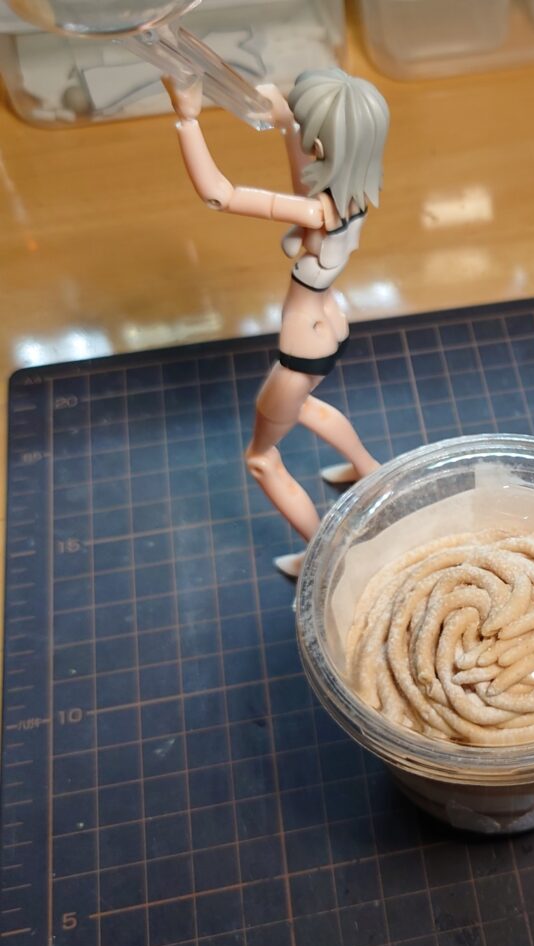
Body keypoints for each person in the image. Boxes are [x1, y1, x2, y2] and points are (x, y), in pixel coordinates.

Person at [164, 69, 390, 575]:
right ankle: (367, 467)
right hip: (332, 324)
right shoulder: (356, 195)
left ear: (321, 143)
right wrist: (288, 122)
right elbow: (304, 179)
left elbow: (220, 195)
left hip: (303, 347)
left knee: (261, 458)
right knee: (304, 405)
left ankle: (323, 556)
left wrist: (187, 118)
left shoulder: (319, 212)